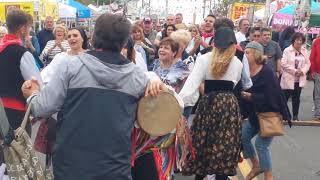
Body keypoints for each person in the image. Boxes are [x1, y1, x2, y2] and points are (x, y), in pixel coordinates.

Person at [21, 13, 166, 180]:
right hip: (116, 166)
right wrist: (155, 80)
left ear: (93, 37)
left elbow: (42, 107)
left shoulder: (70, 66)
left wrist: (32, 94)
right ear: (125, 41)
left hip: (71, 164)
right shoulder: (137, 77)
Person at [181, 27, 243, 180]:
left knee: (203, 141)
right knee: (224, 142)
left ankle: (200, 175)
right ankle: (221, 175)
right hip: (229, 105)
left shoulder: (204, 58)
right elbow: (236, 84)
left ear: (214, 42)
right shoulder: (237, 61)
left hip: (209, 102)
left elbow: (192, 84)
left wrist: (178, 102)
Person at [241, 41, 291, 180]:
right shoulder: (245, 70)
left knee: (261, 145)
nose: (245, 55)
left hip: (270, 114)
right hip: (255, 114)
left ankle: (269, 176)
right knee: (243, 137)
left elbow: (273, 95)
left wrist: (252, 96)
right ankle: (256, 166)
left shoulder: (267, 71)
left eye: (247, 52)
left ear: (256, 53)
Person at [0, 9, 42, 131]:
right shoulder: (22, 53)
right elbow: (37, 84)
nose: (29, 31)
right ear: (23, 29)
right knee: (19, 149)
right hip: (17, 112)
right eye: (28, 28)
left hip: (1, 108)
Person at [281, 32, 310, 121]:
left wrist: (303, 71)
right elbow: (283, 63)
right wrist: (294, 71)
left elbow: (308, 63)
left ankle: (295, 116)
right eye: (297, 40)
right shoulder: (287, 50)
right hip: (289, 78)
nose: (299, 42)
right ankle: (284, 115)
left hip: (299, 79)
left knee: (296, 98)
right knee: (285, 98)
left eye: (301, 40)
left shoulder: (305, 51)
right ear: (293, 40)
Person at [310, 33, 320, 121]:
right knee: (318, 95)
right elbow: (312, 57)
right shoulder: (316, 42)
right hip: (318, 72)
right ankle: (318, 115)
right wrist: (312, 70)